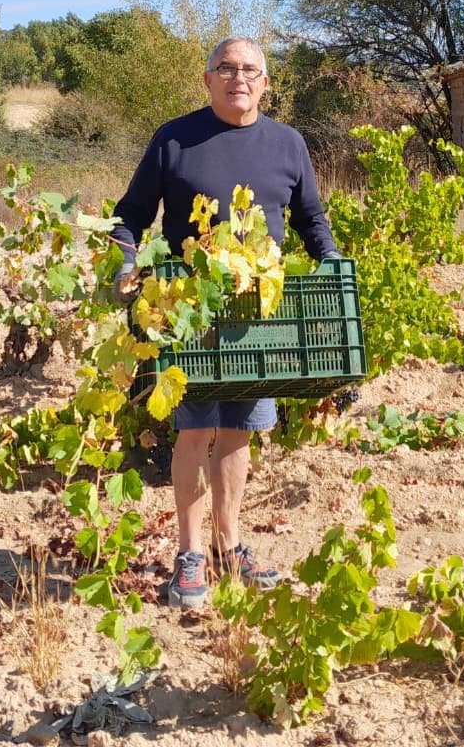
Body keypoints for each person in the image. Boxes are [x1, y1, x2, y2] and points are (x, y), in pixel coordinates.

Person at [112, 37, 338, 609]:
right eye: (227, 68)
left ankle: (227, 547)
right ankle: (188, 557)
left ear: (266, 82)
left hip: (257, 310)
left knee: (239, 429)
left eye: (250, 70)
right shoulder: (174, 138)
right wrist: (125, 255)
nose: (239, 78)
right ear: (208, 79)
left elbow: (310, 218)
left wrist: (331, 260)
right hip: (188, 307)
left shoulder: (288, 143)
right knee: (192, 430)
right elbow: (133, 214)